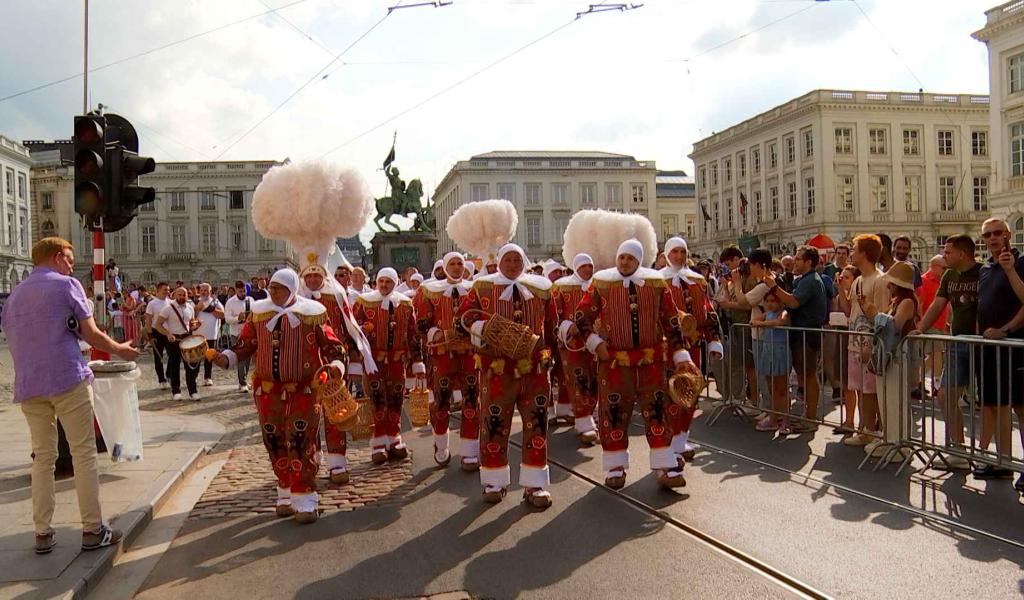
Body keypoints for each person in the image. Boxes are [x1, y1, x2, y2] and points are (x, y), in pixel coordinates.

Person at [1, 237, 139, 554]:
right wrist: (120, 349)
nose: (72, 264)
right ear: (56, 257)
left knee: (43, 457)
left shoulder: (15, 296)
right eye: (69, 257)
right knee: (83, 453)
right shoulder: (67, 285)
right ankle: (93, 529)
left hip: (29, 384)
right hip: (66, 377)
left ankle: (42, 532)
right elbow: (90, 333)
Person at [212, 269, 348, 523]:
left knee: (300, 439)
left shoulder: (313, 313)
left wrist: (336, 366)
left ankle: (305, 495)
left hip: (305, 390)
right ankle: (285, 488)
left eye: (279, 288)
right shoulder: (260, 313)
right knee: (274, 439)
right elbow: (246, 344)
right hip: (268, 391)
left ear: (292, 289)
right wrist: (227, 358)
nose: (273, 292)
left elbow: (332, 345)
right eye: (272, 288)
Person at [569, 239, 692, 491]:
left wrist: (680, 352)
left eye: (630, 258)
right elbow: (582, 315)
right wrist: (594, 342)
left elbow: (670, 319)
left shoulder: (656, 283)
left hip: (651, 362)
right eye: (622, 257)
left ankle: (664, 464)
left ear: (639, 261)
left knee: (657, 411)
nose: (624, 262)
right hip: (614, 362)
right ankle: (615, 466)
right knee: (614, 412)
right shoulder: (602, 282)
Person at [457, 243, 557, 507]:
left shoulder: (541, 288)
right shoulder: (482, 288)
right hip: (497, 370)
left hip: (534, 370)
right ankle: (494, 480)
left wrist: (548, 357)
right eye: (508, 260)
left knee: (536, 423)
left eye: (516, 260)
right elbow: (462, 319)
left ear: (523, 261)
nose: (512, 264)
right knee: (494, 423)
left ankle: (535, 483)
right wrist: (484, 328)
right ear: (499, 262)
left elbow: (552, 325)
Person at [298, 248, 375, 484]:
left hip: (334, 365)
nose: (313, 280)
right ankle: (313, 457)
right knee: (309, 416)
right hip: (305, 368)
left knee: (336, 413)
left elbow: (349, 326)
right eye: (308, 276)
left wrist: (353, 355)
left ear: (324, 277)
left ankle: (337, 462)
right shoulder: (296, 301)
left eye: (317, 276)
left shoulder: (336, 296)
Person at [911, 236, 977, 470]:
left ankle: (998, 460)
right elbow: (937, 304)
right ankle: (957, 449)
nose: (944, 255)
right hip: (958, 342)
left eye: (948, 252)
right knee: (945, 395)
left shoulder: (982, 272)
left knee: (993, 404)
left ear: (962, 254)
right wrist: (919, 329)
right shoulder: (949, 276)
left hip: (983, 344)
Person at [415, 252, 480, 467]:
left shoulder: (474, 289)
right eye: (452, 263)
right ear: (444, 267)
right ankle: (441, 444)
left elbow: (482, 316)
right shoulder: (430, 291)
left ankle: (469, 449)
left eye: (459, 263)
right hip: (442, 355)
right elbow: (422, 322)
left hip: (470, 355)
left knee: (471, 399)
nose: (456, 267)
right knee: (442, 401)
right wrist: (436, 333)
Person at [661, 237, 722, 461]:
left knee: (690, 394)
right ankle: (667, 444)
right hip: (668, 351)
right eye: (674, 252)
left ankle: (681, 440)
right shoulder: (657, 282)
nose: (679, 256)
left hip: (693, 347)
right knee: (670, 395)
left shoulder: (697, 281)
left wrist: (714, 339)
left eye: (682, 251)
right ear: (667, 255)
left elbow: (708, 311)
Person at [353, 268, 422, 465]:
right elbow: (355, 332)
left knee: (396, 398)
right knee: (377, 399)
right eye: (381, 281)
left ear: (395, 282)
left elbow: (413, 334)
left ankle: (394, 437)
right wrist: (357, 359)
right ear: (376, 282)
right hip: (373, 361)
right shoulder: (364, 302)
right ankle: (378, 441)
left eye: (388, 282)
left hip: (397, 360)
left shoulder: (406, 304)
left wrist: (417, 361)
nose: (384, 285)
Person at [974, 218, 1024, 489]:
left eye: (997, 233)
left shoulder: (1020, 261)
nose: (992, 238)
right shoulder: (986, 268)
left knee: (1020, 408)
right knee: (994, 404)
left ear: (1008, 234)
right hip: (990, 349)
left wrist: (1006, 329)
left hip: (1015, 346)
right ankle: (1002, 462)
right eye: (987, 235)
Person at [767, 245, 828, 432]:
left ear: (808, 262)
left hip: (807, 334)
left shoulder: (811, 281)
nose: (795, 260)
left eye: (799, 258)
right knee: (803, 374)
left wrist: (774, 288)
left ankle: (811, 418)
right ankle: (807, 415)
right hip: (799, 334)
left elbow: (793, 301)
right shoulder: (803, 279)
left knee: (809, 375)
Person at [843, 235, 891, 449]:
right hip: (854, 342)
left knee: (871, 390)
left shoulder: (880, 280)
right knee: (860, 389)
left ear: (864, 253)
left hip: (869, 345)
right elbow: (849, 311)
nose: (851, 253)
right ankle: (865, 428)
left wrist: (870, 345)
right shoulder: (858, 281)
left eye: (854, 249)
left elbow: (881, 315)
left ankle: (873, 431)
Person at [551, 253, 599, 446]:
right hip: (571, 343)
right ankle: (583, 421)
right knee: (577, 379)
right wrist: (566, 326)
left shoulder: (599, 286)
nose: (587, 269)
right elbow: (553, 314)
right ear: (576, 267)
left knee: (595, 379)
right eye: (583, 266)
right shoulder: (562, 286)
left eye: (590, 266)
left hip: (595, 342)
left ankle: (590, 413)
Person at [713, 246, 759, 409]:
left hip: (746, 324)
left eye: (728, 264)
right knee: (743, 365)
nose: (729, 268)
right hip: (736, 325)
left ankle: (755, 401)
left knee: (750, 366)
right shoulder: (735, 279)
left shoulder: (747, 279)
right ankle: (746, 397)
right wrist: (726, 286)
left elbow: (746, 303)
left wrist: (728, 304)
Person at [751, 291, 791, 433]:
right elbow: (754, 320)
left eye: (773, 300)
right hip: (768, 350)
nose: (769, 303)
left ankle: (785, 420)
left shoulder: (784, 312)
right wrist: (759, 322)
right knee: (772, 387)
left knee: (782, 388)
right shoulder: (767, 313)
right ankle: (774, 417)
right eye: (767, 301)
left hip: (780, 351)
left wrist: (763, 324)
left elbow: (780, 321)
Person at [154, 287, 201, 401]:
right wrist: (168, 334)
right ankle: (176, 391)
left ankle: (193, 391)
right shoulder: (168, 308)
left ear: (187, 296)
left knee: (190, 366)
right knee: (174, 365)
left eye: (184, 295)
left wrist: (196, 326)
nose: (181, 297)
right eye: (179, 295)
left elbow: (190, 324)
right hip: (173, 339)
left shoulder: (190, 307)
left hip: (187, 338)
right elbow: (158, 324)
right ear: (175, 295)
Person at [915, 254, 948, 397]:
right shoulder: (924, 280)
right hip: (929, 324)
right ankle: (936, 384)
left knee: (932, 356)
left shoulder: (942, 281)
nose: (946, 269)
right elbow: (920, 304)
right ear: (934, 266)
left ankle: (919, 379)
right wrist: (921, 323)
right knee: (936, 354)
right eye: (943, 267)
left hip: (939, 324)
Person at [833, 265, 861, 434]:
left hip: (855, 340)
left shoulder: (855, 294)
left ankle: (864, 423)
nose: (843, 280)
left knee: (857, 384)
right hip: (843, 337)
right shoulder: (842, 294)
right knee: (846, 382)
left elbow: (848, 311)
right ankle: (849, 420)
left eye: (847, 277)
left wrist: (841, 291)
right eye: (842, 276)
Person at [223, 281, 254, 393]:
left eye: (244, 291)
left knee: (248, 358)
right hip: (236, 333)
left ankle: (244, 378)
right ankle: (242, 383)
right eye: (240, 291)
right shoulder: (230, 302)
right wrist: (238, 318)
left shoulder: (250, 300)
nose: (242, 293)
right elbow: (227, 319)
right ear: (236, 290)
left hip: (249, 333)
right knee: (241, 358)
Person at [194, 283, 225, 387]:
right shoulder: (195, 301)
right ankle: (193, 377)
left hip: (211, 334)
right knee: (196, 357)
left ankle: (208, 377)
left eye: (206, 290)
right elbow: (190, 316)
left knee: (209, 357)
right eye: (202, 290)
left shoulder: (216, 302)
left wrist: (212, 309)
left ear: (210, 291)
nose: (203, 292)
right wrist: (197, 309)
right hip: (197, 334)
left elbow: (222, 315)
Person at [144, 282, 171, 389]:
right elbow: (148, 320)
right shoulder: (152, 303)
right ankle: (161, 379)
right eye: (165, 289)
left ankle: (169, 374)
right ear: (159, 290)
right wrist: (150, 334)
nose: (167, 292)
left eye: (168, 290)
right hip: (156, 332)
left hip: (168, 332)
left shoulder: (170, 302)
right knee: (158, 357)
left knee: (172, 356)